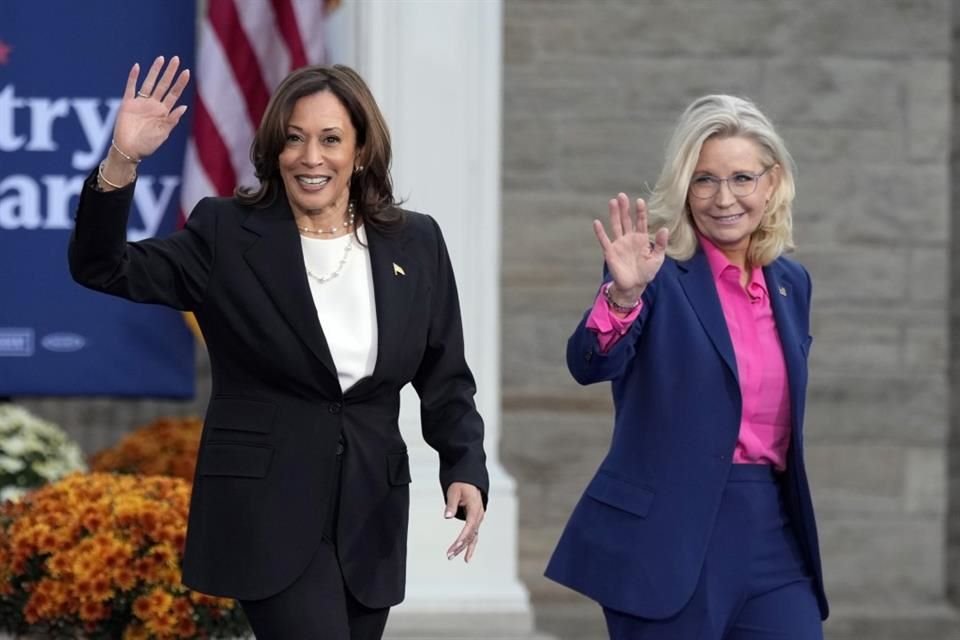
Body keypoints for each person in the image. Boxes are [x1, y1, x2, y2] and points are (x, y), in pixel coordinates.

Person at [69, 56, 488, 640]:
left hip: (370, 514)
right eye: (294, 139)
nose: (310, 157)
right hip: (268, 511)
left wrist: (463, 465)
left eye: (330, 139)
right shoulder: (225, 233)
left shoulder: (415, 242)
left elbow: (446, 375)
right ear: (274, 149)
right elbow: (102, 267)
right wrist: (123, 160)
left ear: (361, 151)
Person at [544, 94, 828, 639]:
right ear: (684, 186)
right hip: (666, 539)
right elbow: (589, 362)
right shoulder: (655, 274)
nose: (724, 198)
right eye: (704, 180)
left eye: (742, 178)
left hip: (772, 533)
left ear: (771, 184)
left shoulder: (793, 284)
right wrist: (622, 298)